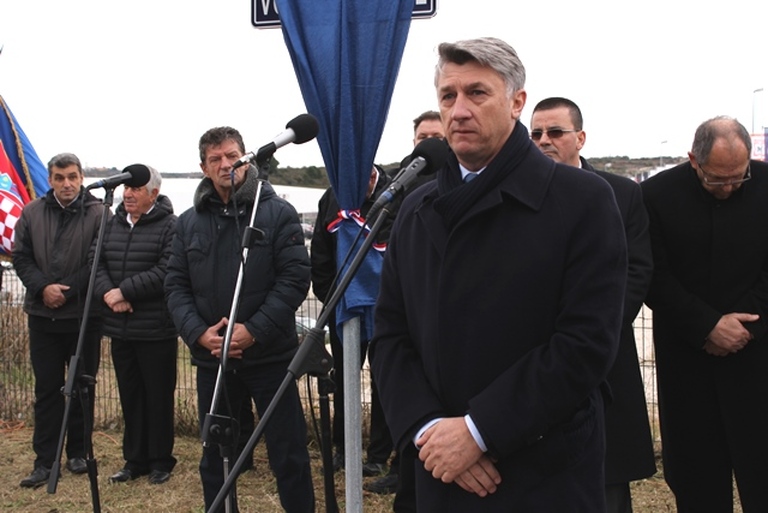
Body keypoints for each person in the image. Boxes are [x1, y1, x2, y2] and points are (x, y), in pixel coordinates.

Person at [369, 37, 627, 512]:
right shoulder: (415, 209)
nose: (459, 110)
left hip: (542, 470)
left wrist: (478, 431)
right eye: (448, 96)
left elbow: (585, 342)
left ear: (516, 102)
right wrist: (429, 428)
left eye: (477, 93)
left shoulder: (582, 200)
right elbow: (389, 334)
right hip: (438, 466)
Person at [165, 126, 315, 513]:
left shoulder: (276, 213)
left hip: (270, 356)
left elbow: (294, 279)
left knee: (289, 453)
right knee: (216, 455)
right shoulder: (188, 222)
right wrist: (198, 334)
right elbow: (175, 285)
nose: (226, 164)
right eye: (215, 159)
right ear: (203, 168)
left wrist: (254, 330)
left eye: (232, 156)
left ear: (246, 159)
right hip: (213, 360)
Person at [530, 97, 656, 513]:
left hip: (604, 355)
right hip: (534, 355)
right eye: (535, 134)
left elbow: (637, 270)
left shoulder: (621, 194)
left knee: (608, 480)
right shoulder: (517, 193)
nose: (544, 141)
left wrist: (591, 331)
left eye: (555, 132)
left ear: (580, 138)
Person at [641, 116, 768, 512]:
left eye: (738, 177)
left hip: (757, 355)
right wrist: (706, 326)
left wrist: (746, 324)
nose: (728, 187)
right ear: (693, 160)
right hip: (687, 359)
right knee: (697, 481)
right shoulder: (655, 195)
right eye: (717, 179)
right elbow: (652, 273)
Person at [12, 152, 106, 488]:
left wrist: (67, 291)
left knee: (82, 388)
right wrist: (43, 288)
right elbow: (21, 256)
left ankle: (78, 452)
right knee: (47, 390)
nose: (67, 184)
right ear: (50, 180)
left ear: (81, 178)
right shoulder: (32, 212)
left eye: (72, 177)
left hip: (83, 317)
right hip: (42, 316)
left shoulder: (99, 213)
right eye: (59, 178)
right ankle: (44, 460)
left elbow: (99, 260)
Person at [365, 111, 445, 502]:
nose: (427, 142)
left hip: (440, 320)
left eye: (435, 136)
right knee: (395, 389)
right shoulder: (401, 185)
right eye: (422, 136)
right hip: (401, 307)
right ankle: (400, 466)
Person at [93, 164, 178, 485]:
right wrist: (109, 294)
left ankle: (160, 460)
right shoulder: (111, 223)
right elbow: (95, 261)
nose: (128, 194)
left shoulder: (170, 226)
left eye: (136, 189)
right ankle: (134, 460)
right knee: (130, 394)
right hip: (120, 327)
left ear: (153, 194)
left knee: (157, 396)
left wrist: (125, 291)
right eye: (127, 188)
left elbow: (167, 269)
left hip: (155, 329)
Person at [310, 165, 394, 476]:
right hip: (345, 306)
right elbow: (320, 252)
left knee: (384, 382)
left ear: (371, 175)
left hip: (387, 309)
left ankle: (379, 455)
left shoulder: (396, 193)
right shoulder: (332, 197)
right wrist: (331, 298)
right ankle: (344, 448)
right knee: (345, 381)